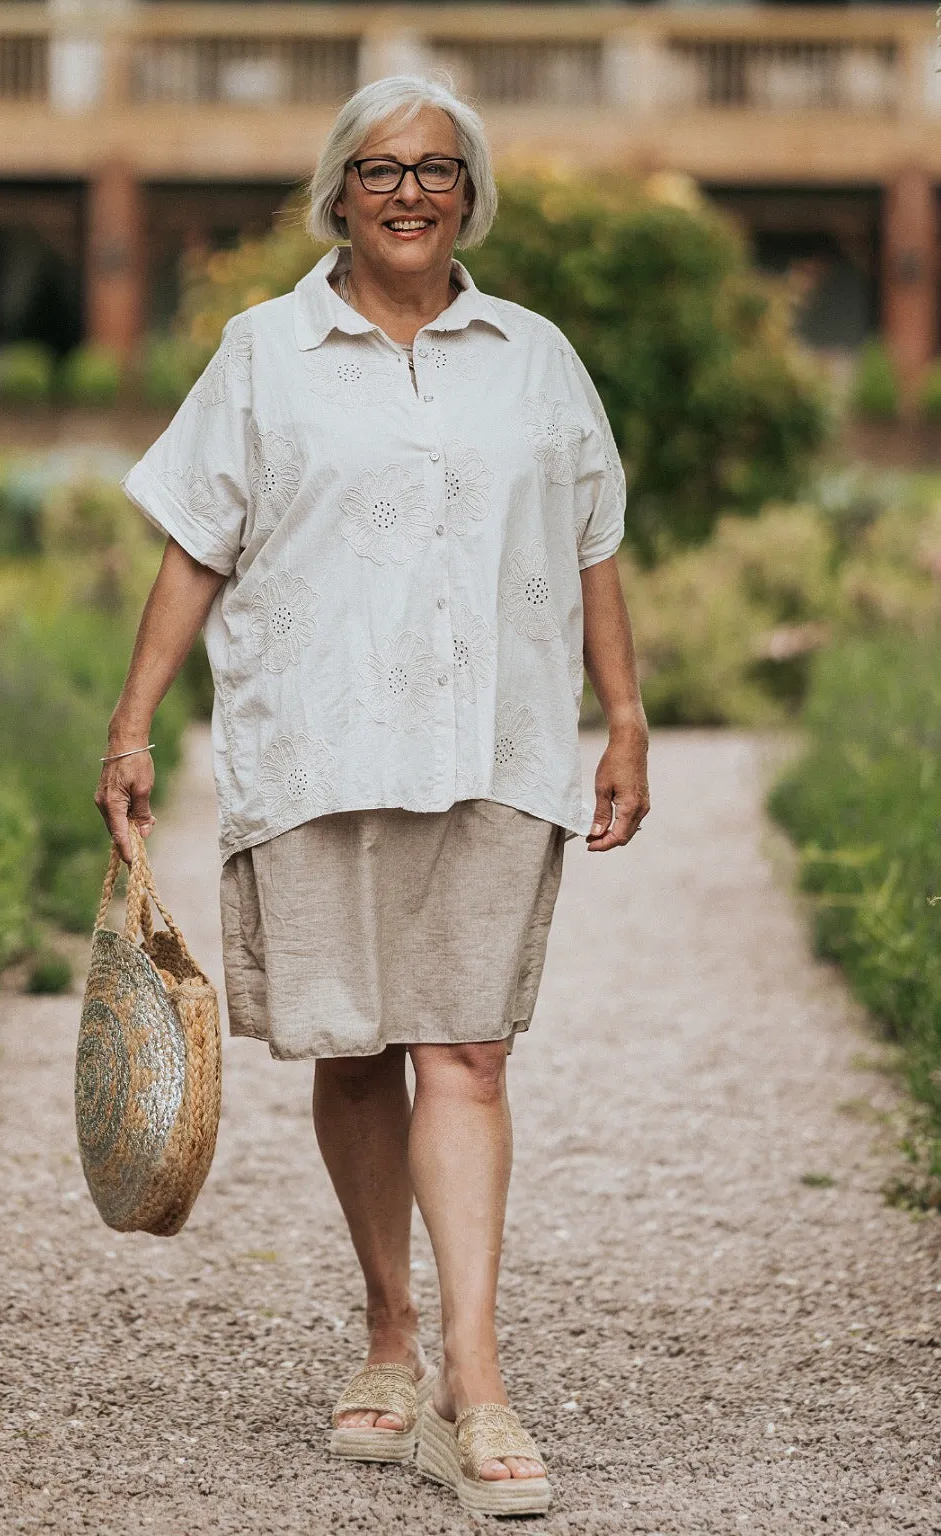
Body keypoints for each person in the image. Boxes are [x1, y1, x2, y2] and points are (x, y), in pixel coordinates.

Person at [95, 73, 649, 1518]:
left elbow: (594, 542)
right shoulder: (264, 351)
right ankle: (386, 1331)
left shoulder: (534, 357)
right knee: (355, 1053)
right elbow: (196, 544)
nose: (412, 191)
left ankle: (474, 1377)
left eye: (440, 169)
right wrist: (133, 721)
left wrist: (630, 714)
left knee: (467, 1050)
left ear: (472, 195)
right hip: (320, 746)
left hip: (494, 746)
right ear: (337, 192)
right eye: (383, 168)